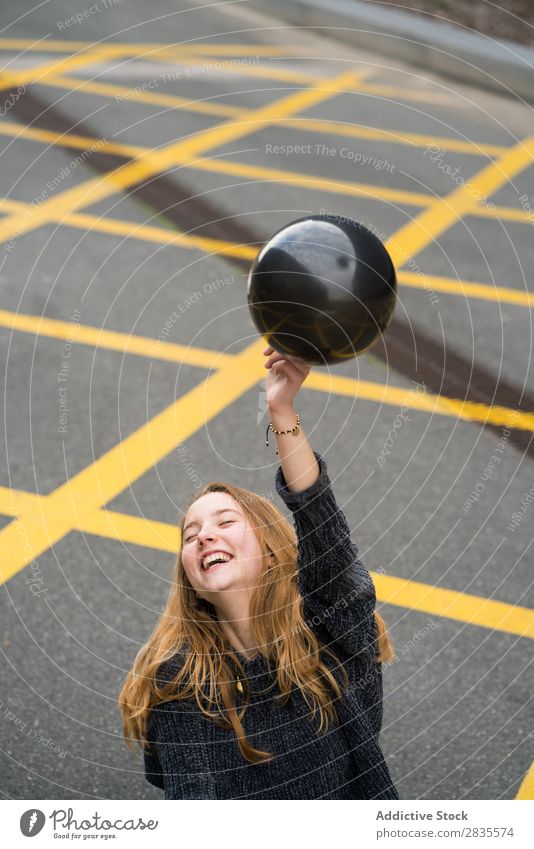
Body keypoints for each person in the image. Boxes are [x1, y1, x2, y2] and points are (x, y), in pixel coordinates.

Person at [119, 345, 399, 799]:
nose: (204, 536)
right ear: (191, 580)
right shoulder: (178, 687)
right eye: (191, 535)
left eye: (225, 522)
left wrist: (281, 409)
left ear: (271, 551)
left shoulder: (330, 639)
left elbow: (322, 528)